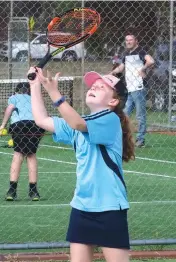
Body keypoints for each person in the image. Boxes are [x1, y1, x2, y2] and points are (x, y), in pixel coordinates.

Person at [28, 66, 135, 262]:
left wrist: (54, 92)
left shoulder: (110, 120)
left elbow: (78, 124)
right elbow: (42, 120)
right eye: (93, 85)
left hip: (109, 208)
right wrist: (35, 85)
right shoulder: (79, 122)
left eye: (102, 87)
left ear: (113, 101)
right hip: (82, 207)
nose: (94, 87)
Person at [0, 82, 45, 201]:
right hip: (35, 126)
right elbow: (42, 111)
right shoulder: (35, 98)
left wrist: (3, 125)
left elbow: (10, 108)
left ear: (17, 91)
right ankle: (33, 191)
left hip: (19, 126)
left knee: (18, 154)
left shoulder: (13, 97)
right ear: (29, 91)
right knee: (31, 155)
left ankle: (12, 191)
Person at [111, 33, 155, 147]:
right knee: (125, 113)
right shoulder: (126, 54)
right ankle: (121, 137)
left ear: (136, 41)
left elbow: (151, 61)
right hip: (130, 88)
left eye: (131, 40)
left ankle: (141, 140)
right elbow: (122, 67)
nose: (128, 42)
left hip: (139, 87)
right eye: (127, 40)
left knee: (140, 115)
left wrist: (143, 69)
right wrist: (112, 73)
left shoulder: (141, 51)